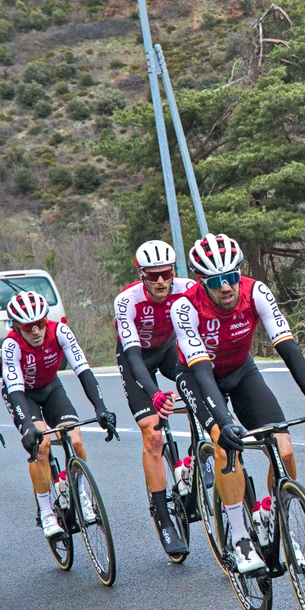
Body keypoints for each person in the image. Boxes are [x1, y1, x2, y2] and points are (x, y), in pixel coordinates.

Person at [170, 233, 305, 574]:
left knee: (283, 448)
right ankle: (239, 537)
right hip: (197, 375)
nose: (226, 287)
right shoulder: (184, 307)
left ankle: (268, 513)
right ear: (203, 282)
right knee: (224, 446)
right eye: (217, 281)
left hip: (240, 370)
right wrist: (223, 419)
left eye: (231, 277)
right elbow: (202, 370)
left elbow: (287, 346)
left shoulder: (256, 291)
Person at [114, 239, 211, 558]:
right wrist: (154, 393)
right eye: (151, 275)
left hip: (169, 348)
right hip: (136, 357)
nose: (160, 281)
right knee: (153, 435)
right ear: (141, 274)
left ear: (174, 271)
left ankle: (198, 452)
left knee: (202, 388)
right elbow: (133, 356)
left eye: (165, 273)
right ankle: (164, 516)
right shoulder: (127, 300)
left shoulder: (187, 288)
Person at [0, 290, 117, 540]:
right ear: (16, 326)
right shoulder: (11, 345)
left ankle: (81, 494)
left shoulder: (60, 331)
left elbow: (83, 369)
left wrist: (100, 407)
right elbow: (15, 391)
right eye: (28, 326)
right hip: (24, 396)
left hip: (51, 388)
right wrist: (26, 426)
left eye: (40, 323)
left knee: (75, 439)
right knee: (40, 446)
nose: (36, 331)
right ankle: (46, 513)